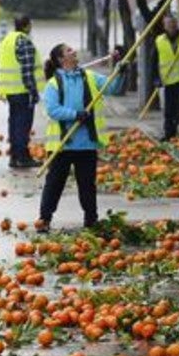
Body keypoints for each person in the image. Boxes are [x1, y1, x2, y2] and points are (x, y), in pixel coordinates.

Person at [38, 44, 122, 231]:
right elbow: (53, 110)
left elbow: (113, 87)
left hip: (86, 143)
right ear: (61, 59)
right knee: (54, 185)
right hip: (62, 144)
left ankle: (91, 220)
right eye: (69, 51)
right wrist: (75, 114)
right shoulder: (54, 83)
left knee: (87, 186)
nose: (74, 52)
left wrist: (120, 69)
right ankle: (44, 219)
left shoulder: (90, 77)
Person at [0, 15, 44, 169]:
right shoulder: (24, 41)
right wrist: (33, 91)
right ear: (27, 26)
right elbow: (27, 70)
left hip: (9, 91)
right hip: (23, 91)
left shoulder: (6, 40)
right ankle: (23, 157)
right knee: (23, 125)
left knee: (14, 123)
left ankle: (15, 156)